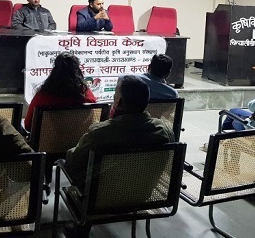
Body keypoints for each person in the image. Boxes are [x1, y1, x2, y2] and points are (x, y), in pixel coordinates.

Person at [63, 75, 174, 237]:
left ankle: (81, 229)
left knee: (74, 189)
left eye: (115, 93)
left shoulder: (100, 133)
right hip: (142, 196)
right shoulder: (164, 130)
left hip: (99, 201)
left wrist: (70, 152)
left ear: (119, 101)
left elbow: (73, 165)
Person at [24, 52, 97, 131]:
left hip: (49, 139)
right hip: (81, 138)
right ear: (78, 71)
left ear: (54, 71)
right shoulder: (87, 95)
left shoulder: (42, 97)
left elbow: (28, 125)